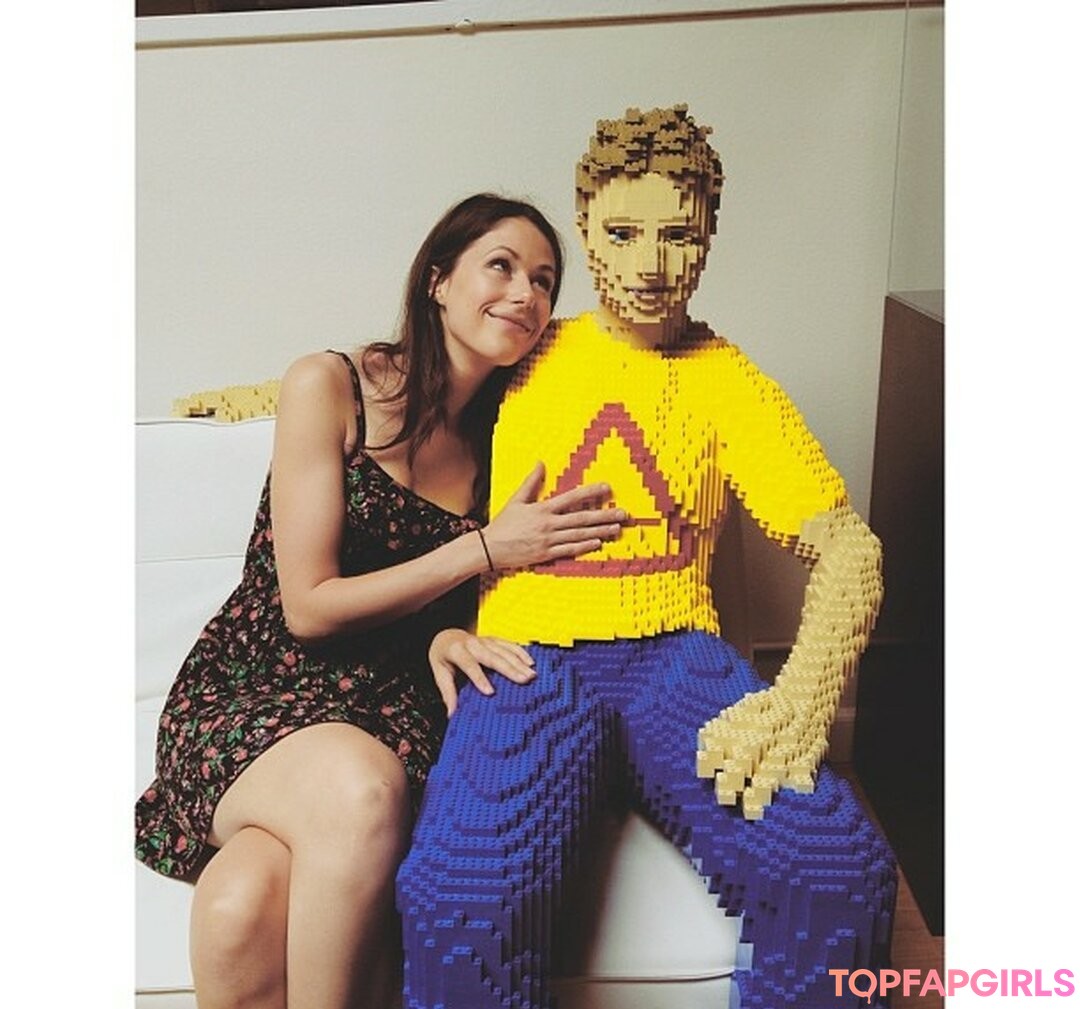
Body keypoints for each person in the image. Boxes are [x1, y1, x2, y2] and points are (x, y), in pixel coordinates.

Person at [397, 108, 897, 1009]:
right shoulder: (528, 344)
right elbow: (399, 390)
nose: (652, 264)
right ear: (587, 226)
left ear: (708, 236)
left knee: (840, 864)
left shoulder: (728, 380)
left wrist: (802, 698)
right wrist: (275, 392)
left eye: (678, 235)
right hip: (529, 657)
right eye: (624, 233)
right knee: (457, 890)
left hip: (676, 662)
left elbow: (848, 546)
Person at [134, 193, 628, 1009]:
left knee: (239, 903)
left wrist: (450, 633)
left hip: (392, 703)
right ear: (438, 279)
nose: (525, 294)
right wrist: (481, 547)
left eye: (544, 281)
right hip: (261, 686)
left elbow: (504, 598)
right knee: (356, 793)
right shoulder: (331, 385)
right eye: (501, 266)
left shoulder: (513, 434)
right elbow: (309, 605)